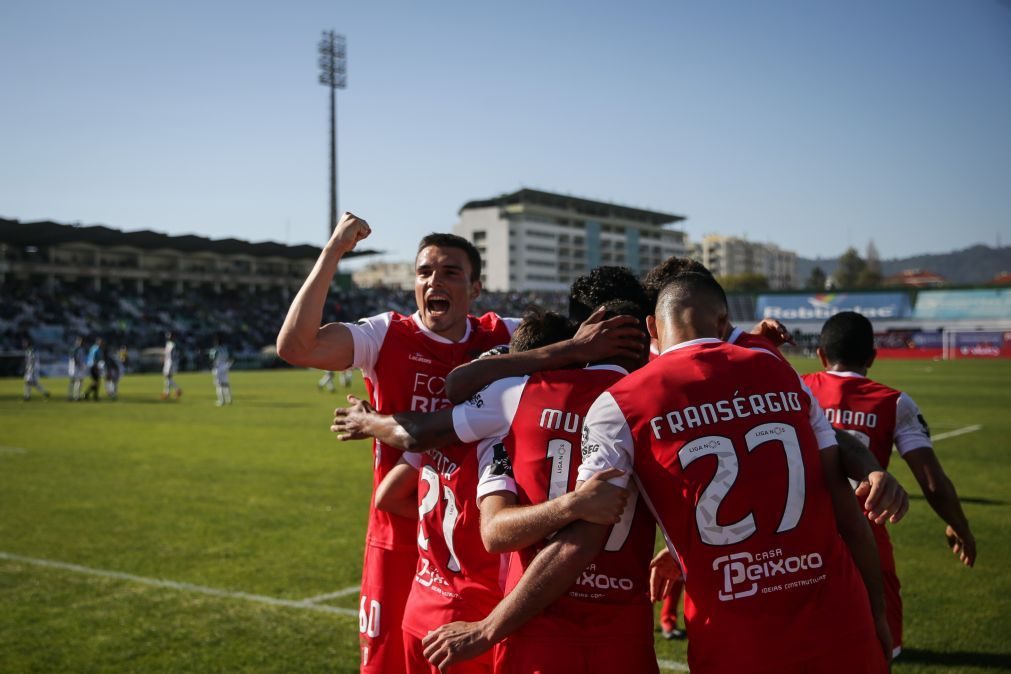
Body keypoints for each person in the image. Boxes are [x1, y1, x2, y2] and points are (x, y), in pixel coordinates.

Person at [421, 273, 892, 674]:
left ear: (653, 326)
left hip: (732, 634)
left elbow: (581, 538)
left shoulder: (623, 402)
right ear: (724, 323)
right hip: (838, 617)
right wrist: (877, 613)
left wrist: (488, 628)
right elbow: (844, 506)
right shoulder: (779, 371)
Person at [333, 300, 655, 674]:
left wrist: (372, 423)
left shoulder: (456, 430)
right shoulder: (507, 431)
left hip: (426, 602)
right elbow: (496, 532)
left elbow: (390, 494)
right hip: (491, 605)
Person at [276, 212, 520, 673]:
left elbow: (577, 343)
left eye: (450, 272)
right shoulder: (387, 334)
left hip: (471, 547)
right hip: (397, 534)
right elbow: (296, 347)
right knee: (387, 664)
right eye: (424, 272)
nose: (434, 281)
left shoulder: (501, 335)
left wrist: (375, 421)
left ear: (475, 288)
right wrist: (333, 253)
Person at [803, 311, 977, 657]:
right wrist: (960, 526)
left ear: (821, 355)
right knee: (880, 644)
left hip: (805, 533)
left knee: (809, 641)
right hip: (868, 531)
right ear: (872, 357)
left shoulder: (797, 390)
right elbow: (932, 481)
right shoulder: (893, 401)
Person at [210, 335, 233, 406]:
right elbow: (230, 357)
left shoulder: (214, 349)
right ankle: (229, 399)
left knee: (219, 385)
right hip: (225, 366)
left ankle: (221, 401)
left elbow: (212, 359)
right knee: (226, 384)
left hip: (218, 367)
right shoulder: (225, 349)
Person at [83, 337, 105, 401]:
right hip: (93, 366)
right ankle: (87, 394)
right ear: (98, 342)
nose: (102, 344)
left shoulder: (94, 348)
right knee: (96, 382)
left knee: (97, 382)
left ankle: (94, 396)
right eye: (101, 342)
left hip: (94, 366)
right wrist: (96, 367)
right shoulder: (96, 349)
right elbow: (93, 358)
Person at [162, 332, 182, 399]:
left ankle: (170, 391)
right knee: (168, 378)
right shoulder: (168, 344)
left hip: (170, 362)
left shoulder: (172, 345)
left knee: (168, 377)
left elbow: (173, 354)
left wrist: (173, 362)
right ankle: (171, 391)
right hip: (168, 361)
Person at [67, 335, 86, 401]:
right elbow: (73, 358)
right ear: (76, 341)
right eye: (79, 341)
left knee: (77, 381)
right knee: (76, 381)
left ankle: (74, 395)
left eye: (81, 341)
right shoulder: (75, 349)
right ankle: (73, 396)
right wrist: (79, 365)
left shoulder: (80, 349)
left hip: (77, 366)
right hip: (75, 367)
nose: (80, 342)